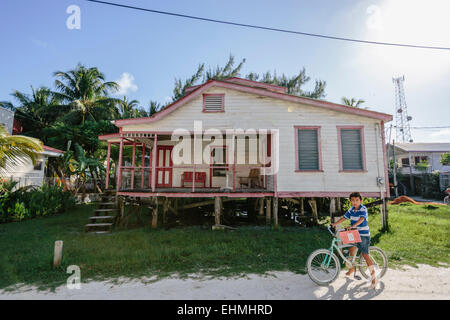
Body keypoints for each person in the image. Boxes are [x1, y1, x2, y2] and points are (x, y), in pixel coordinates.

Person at [331, 192, 378, 290]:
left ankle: (374, 278)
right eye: (353, 200)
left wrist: (352, 226)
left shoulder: (363, 209)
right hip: (354, 234)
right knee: (351, 250)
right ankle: (351, 269)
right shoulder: (351, 209)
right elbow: (344, 217)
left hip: (363, 235)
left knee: (365, 255)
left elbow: (361, 219)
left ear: (361, 201)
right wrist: (335, 224)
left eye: (357, 200)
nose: (355, 202)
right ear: (350, 201)